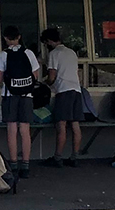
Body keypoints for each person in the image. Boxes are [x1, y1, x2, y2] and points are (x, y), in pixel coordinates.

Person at [0, 26, 41, 179]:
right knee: (25, 130)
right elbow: (35, 75)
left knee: (12, 129)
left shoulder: (4, 55)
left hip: (9, 95)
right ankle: (25, 165)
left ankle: (13, 164)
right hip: (27, 96)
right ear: (19, 37)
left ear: (5, 38)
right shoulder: (29, 54)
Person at [40, 27, 86, 167]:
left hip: (64, 91)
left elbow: (52, 77)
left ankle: (57, 157)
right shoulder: (72, 52)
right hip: (76, 90)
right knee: (75, 125)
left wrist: (42, 83)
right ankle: (74, 157)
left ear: (48, 41)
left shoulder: (54, 53)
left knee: (61, 125)